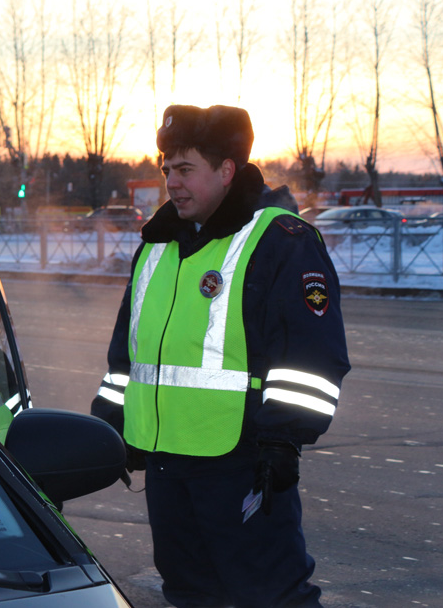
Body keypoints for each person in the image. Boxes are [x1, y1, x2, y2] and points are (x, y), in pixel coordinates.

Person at [90, 104, 350, 608]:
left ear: (227, 170)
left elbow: (310, 357)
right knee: (189, 593)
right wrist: (110, 425)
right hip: (165, 464)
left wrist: (282, 439)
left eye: (185, 169)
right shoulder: (157, 248)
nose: (172, 182)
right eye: (166, 169)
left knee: (271, 596)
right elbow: (127, 357)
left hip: (240, 463)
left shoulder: (280, 241)